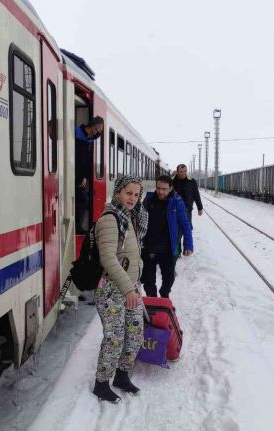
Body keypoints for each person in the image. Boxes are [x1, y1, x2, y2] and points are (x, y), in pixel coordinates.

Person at [92, 175, 149, 403]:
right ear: (117, 192)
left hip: (130, 288)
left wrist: (137, 276)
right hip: (112, 290)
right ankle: (101, 383)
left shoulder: (130, 217)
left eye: (136, 195)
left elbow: (132, 254)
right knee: (114, 337)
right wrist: (128, 288)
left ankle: (122, 376)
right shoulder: (110, 219)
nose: (132, 199)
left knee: (134, 334)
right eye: (128, 193)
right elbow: (108, 258)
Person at [140, 175, 193, 298]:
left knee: (169, 278)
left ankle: (164, 296)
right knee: (148, 279)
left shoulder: (177, 202)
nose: (160, 191)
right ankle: (152, 299)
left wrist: (188, 245)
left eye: (164, 189)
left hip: (167, 248)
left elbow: (185, 224)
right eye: (158, 188)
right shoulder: (148, 200)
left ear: (170, 188)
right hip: (149, 247)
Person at [75, 116, 104, 233]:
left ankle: (78, 226)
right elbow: (77, 160)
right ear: (92, 126)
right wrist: (81, 177)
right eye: (98, 130)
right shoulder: (77, 134)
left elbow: (87, 162)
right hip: (76, 175)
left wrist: (86, 177)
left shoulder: (88, 139)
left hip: (83, 178)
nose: (97, 134)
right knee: (82, 201)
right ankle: (77, 227)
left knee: (84, 201)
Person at [172, 164, 203, 229]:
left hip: (187, 209)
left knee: (187, 229)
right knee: (176, 230)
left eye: (185, 171)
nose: (183, 173)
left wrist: (200, 207)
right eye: (181, 171)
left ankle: (187, 239)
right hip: (174, 210)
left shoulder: (192, 181)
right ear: (177, 172)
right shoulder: (172, 181)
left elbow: (196, 195)